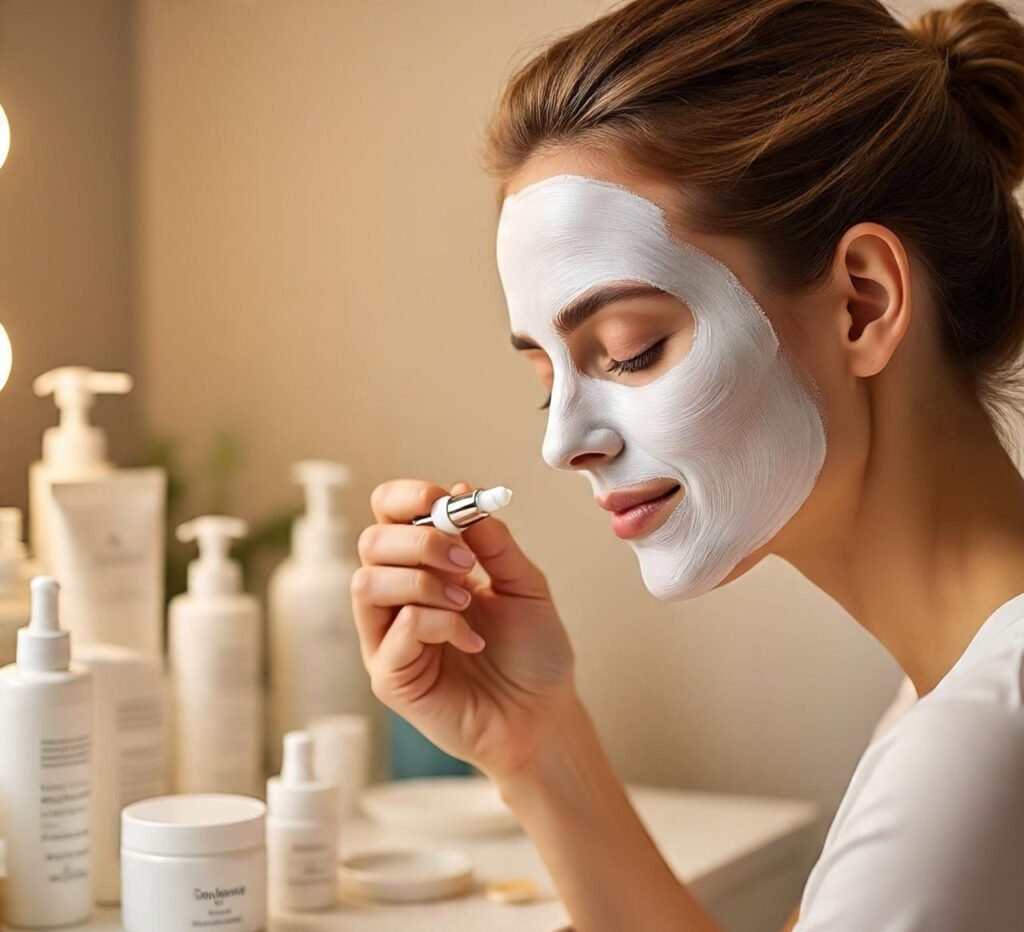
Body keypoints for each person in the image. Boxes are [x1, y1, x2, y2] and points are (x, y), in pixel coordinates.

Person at [350, 0, 1024, 928]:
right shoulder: (946, 691)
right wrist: (537, 746)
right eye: (548, 380)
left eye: (629, 351)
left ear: (862, 305)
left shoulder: (972, 753)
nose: (562, 443)